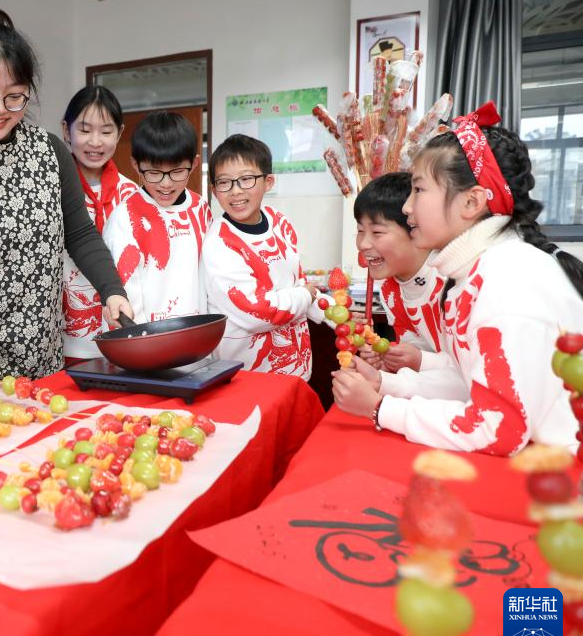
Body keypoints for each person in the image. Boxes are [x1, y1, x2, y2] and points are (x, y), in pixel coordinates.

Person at [333, 102, 583, 456]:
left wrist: (380, 409)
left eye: (419, 190)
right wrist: (385, 383)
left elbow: (498, 429)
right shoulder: (476, 274)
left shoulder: (506, 286)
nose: (407, 207)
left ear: (471, 203)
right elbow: (470, 381)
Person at [0, 12, 131, 397]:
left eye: (15, 96)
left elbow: (80, 234)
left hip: (45, 367)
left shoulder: (50, 151)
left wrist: (112, 290)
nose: (0, 109)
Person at [201, 134, 330, 379]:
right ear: (214, 190)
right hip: (249, 376)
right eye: (224, 182)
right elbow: (256, 312)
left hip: (297, 368)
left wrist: (331, 313)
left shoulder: (279, 221)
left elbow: (298, 283)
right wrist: (306, 295)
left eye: (246, 179)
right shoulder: (219, 243)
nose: (235, 191)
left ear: (268, 181)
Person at [102, 111, 211, 323]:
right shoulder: (125, 218)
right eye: (154, 172)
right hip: (148, 337)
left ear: (195, 163)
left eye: (177, 171)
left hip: (197, 333)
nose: (166, 184)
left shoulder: (200, 208)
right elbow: (125, 296)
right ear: (136, 165)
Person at [60, 85, 138, 361]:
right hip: (62, 340)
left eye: (106, 132)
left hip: (121, 335)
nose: (95, 142)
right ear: (66, 130)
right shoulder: (50, 191)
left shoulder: (132, 195)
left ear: (120, 133)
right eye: (84, 130)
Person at [353, 172, 447, 373]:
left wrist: (421, 360)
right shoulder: (390, 289)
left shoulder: (448, 282)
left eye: (377, 232)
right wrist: (388, 362)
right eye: (360, 231)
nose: (363, 244)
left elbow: (474, 365)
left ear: (415, 227)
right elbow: (414, 348)